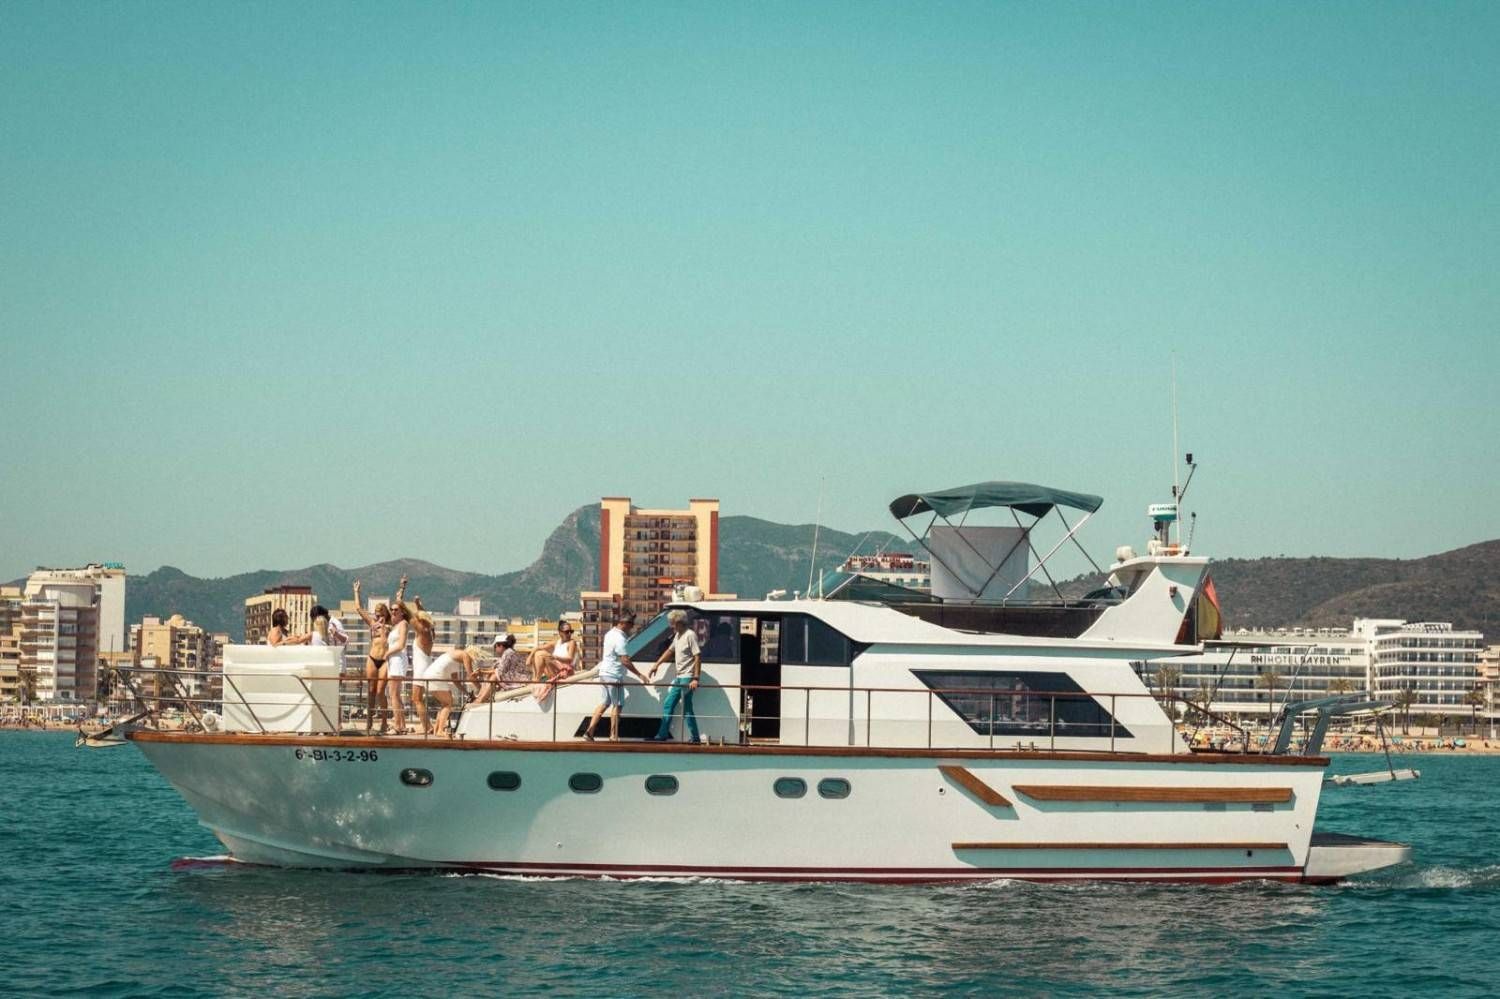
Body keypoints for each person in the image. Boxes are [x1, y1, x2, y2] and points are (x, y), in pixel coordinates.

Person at [583, 613, 647, 742]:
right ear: (623, 624)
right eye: (630, 625)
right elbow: (625, 660)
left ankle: (589, 732)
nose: (631, 628)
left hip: (604, 673)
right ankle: (613, 736)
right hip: (614, 676)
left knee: (604, 703)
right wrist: (640, 674)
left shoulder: (609, 634)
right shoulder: (620, 639)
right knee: (617, 705)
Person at [352, 576, 405, 734]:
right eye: (375, 613)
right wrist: (356, 592)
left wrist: (402, 588)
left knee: (381, 691)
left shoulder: (390, 625)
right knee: (370, 690)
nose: (377, 616)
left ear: (386, 613)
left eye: (380, 613)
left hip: (384, 661)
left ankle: (383, 722)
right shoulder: (372, 624)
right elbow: (359, 609)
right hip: (372, 658)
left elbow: (400, 606)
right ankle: (369, 721)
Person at [649, 609, 702, 743]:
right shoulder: (678, 636)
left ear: (678, 622)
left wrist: (696, 678)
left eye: (671, 623)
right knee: (671, 704)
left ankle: (694, 738)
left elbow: (697, 656)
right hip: (679, 677)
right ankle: (663, 735)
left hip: (687, 677)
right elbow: (669, 651)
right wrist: (657, 664)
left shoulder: (690, 635)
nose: (670, 626)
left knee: (685, 708)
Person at [417, 645, 488, 737]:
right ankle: (440, 731)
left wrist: (466, 693)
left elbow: (456, 681)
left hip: (430, 676)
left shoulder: (454, 657)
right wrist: (481, 688)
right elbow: (470, 676)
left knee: (445, 703)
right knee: (448, 703)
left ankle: (437, 729)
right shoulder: (465, 655)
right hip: (436, 677)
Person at [470, 634, 530, 705]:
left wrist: (481, 672)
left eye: (495, 647)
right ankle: (480, 698)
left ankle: (481, 699)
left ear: (500, 646)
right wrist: (481, 671)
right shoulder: (508, 652)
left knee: (494, 676)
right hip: (513, 677)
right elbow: (496, 668)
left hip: (519, 679)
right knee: (491, 675)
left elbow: (500, 670)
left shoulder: (508, 653)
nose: (495, 649)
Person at [407, 597, 437, 734]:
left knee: (416, 699)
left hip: (421, 670)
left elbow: (410, 616)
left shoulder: (422, 632)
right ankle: (428, 726)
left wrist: (400, 596)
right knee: (419, 699)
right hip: (425, 667)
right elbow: (423, 618)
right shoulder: (429, 632)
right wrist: (418, 605)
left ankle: (428, 727)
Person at [530, 620, 580, 704]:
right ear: (560, 633)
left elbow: (570, 659)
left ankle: (536, 680)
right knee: (539, 653)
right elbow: (538, 648)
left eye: (571, 631)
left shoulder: (572, 642)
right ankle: (536, 679)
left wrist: (555, 657)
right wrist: (530, 656)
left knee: (542, 654)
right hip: (555, 669)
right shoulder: (557, 642)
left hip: (565, 670)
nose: (569, 634)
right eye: (567, 632)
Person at [385, 600, 412, 734]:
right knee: (395, 695)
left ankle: (397, 726)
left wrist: (387, 653)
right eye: (392, 609)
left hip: (397, 660)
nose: (393, 611)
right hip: (393, 660)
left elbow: (401, 644)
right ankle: (402, 725)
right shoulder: (395, 626)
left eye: (396, 609)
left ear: (402, 612)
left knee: (394, 694)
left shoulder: (403, 624)